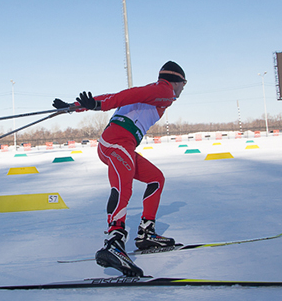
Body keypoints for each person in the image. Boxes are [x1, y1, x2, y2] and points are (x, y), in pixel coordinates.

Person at [53, 61, 187, 277]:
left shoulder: (153, 92)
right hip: (117, 141)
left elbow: (115, 95)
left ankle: (146, 234)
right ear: (176, 80)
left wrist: (74, 106)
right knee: (123, 187)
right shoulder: (165, 90)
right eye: (184, 83)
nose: (183, 88)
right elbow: (124, 95)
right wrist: (96, 106)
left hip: (122, 145)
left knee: (155, 178)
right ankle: (114, 243)